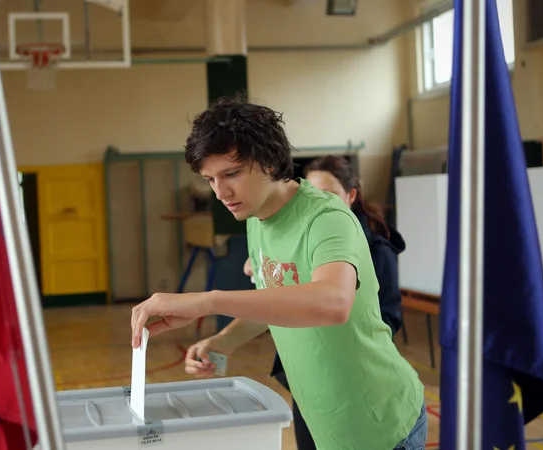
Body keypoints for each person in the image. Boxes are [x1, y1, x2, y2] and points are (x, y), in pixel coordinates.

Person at [130, 97, 426, 449]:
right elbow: (279, 299)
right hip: (325, 422)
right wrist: (223, 343)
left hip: (380, 425)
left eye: (231, 174)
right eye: (210, 179)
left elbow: (333, 302)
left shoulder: (325, 217)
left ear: (269, 161)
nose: (220, 193)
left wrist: (207, 301)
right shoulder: (256, 218)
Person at [234, 154, 408, 450]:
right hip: (308, 379)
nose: (316, 203)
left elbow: (387, 317)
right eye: (310, 195)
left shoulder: (377, 249)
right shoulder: (290, 235)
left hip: (352, 385)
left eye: (327, 195)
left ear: (351, 196)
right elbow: (281, 300)